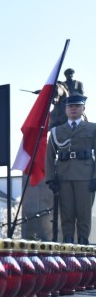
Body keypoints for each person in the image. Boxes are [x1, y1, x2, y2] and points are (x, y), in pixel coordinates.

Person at [45, 94, 96, 244]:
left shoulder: (93, 128)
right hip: (63, 177)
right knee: (66, 213)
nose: (73, 109)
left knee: (84, 214)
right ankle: (67, 243)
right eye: (70, 106)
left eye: (77, 106)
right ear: (66, 109)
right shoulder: (56, 131)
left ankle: (83, 244)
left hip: (86, 177)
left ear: (83, 108)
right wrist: (50, 179)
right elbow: (49, 156)